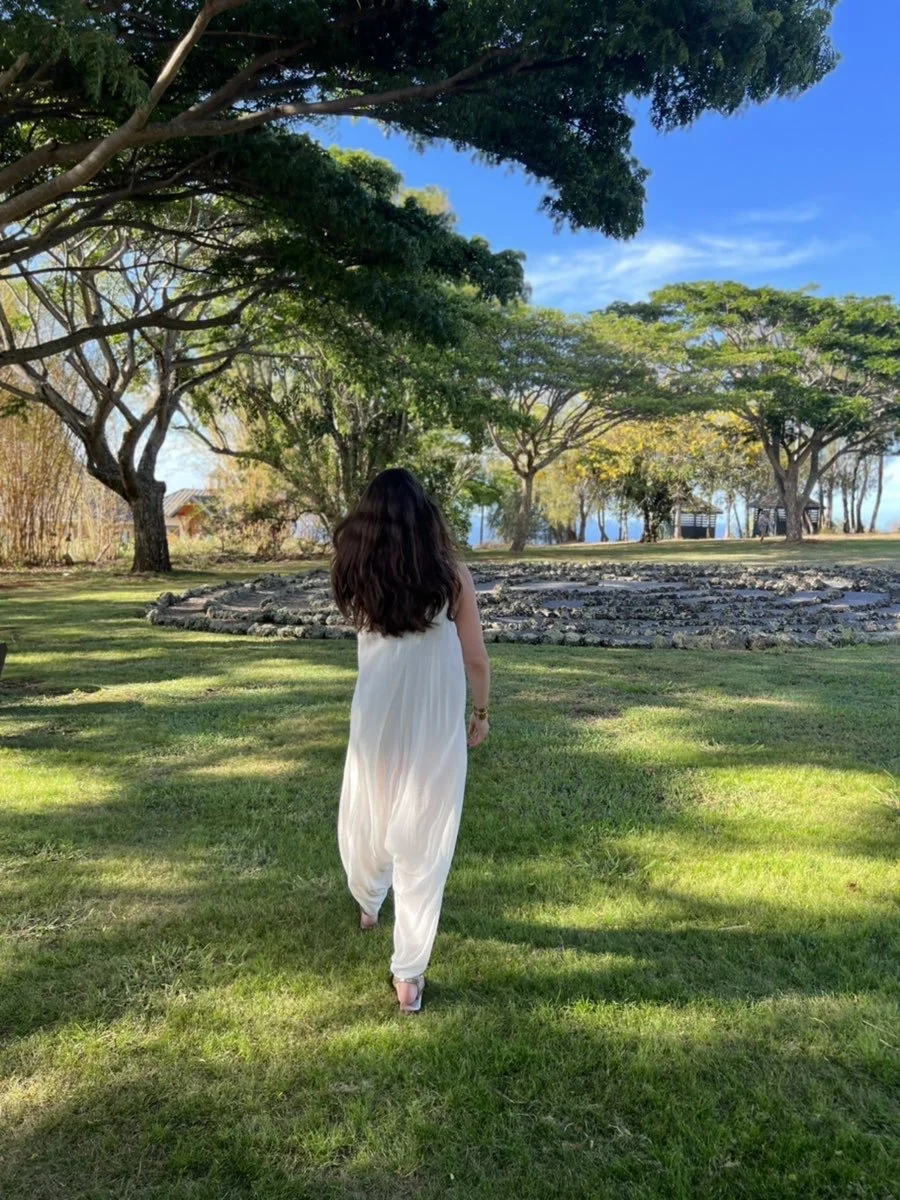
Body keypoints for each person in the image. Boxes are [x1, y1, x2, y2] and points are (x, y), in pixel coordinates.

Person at [331, 468, 491, 1014]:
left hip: (375, 722)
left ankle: (369, 904)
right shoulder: (452, 578)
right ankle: (408, 977)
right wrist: (482, 711)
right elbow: (475, 659)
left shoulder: (358, 572)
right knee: (424, 843)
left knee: (370, 813)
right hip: (432, 725)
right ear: (427, 518)